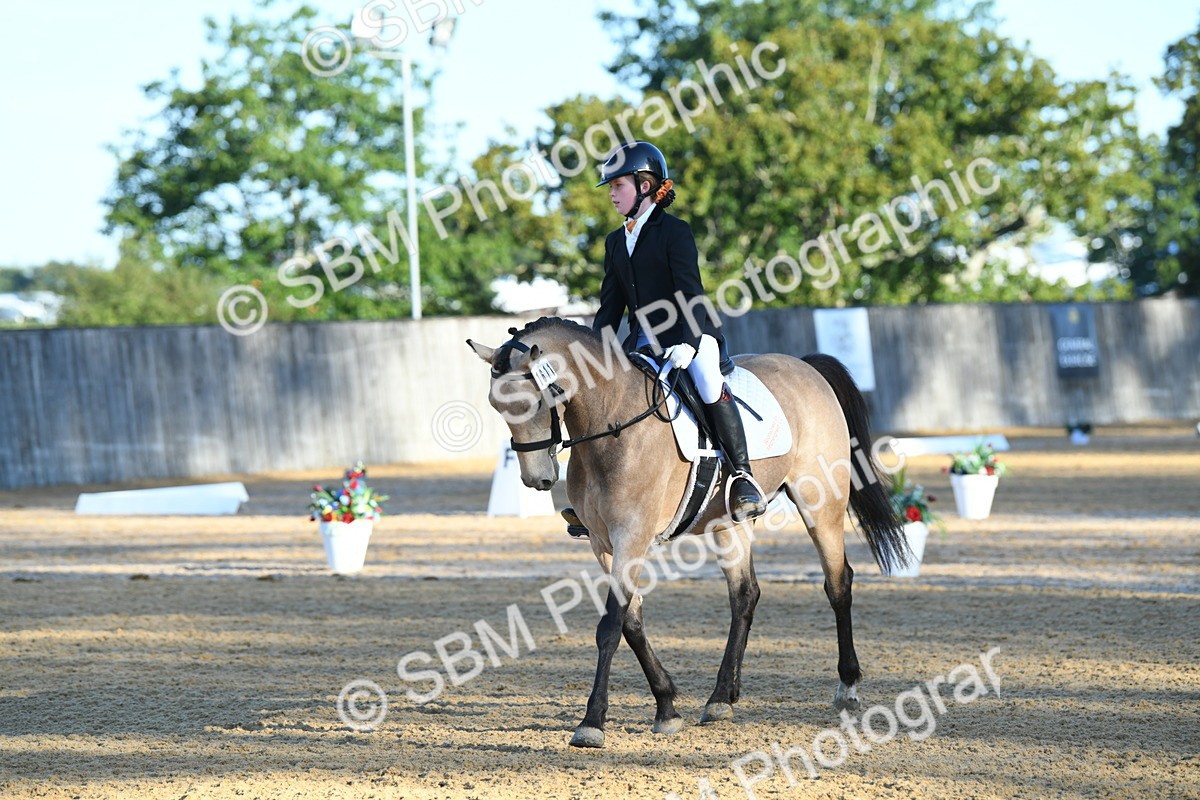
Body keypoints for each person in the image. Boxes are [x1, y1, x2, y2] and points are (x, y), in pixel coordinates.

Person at [588, 140, 767, 523]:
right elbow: (610, 306)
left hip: (690, 334)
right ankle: (598, 491)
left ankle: (742, 476)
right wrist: (595, 350)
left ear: (645, 186)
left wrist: (687, 342)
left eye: (618, 186)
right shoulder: (615, 241)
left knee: (705, 382)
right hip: (640, 341)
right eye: (612, 188)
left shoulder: (675, 232)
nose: (612, 195)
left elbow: (690, 292)